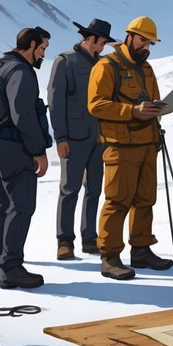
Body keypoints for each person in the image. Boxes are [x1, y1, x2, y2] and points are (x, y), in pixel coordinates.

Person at [87, 16, 173, 279]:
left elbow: (154, 102)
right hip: (120, 146)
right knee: (117, 200)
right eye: (143, 40)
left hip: (147, 143)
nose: (146, 46)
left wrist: (157, 110)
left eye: (150, 43)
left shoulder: (147, 68)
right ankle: (110, 258)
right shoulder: (106, 66)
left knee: (146, 199)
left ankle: (142, 250)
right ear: (129, 36)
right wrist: (132, 111)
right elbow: (96, 105)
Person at [0, 26, 52, 289]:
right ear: (31, 45)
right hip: (15, 150)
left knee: (1, 206)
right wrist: (38, 151)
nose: (43, 55)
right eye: (43, 48)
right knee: (21, 207)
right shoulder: (21, 72)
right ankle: (11, 268)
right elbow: (22, 115)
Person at [49, 18, 115, 261]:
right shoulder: (64, 61)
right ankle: (64, 241)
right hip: (73, 139)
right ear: (92, 39)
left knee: (94, 189)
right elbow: (56, 104)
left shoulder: (103, 64)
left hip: (99, 138)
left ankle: (90, 238)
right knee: (69, 190)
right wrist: (60, 138)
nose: (104, 47)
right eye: (102, 42)